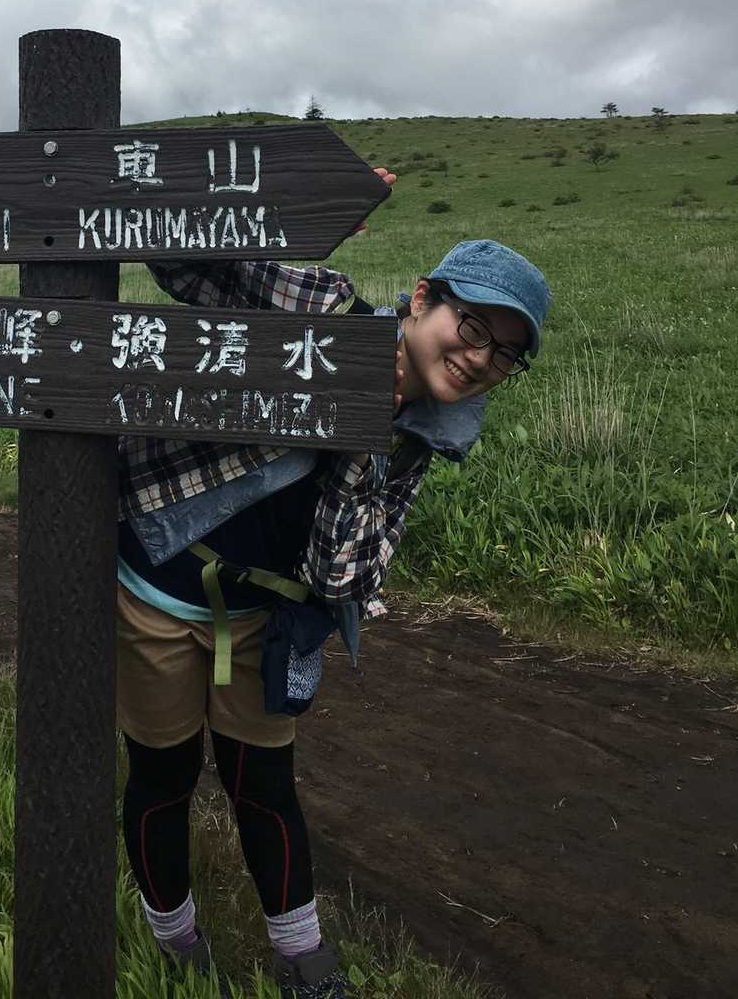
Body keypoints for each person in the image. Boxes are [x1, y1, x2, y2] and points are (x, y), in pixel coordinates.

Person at [116, 169, 552, 998]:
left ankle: (303, 960)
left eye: (505, 353)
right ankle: (174, 943)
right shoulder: (322, 308)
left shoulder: (426, 433)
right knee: (163, 775)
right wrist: (287, 211)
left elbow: (341, 573)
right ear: (420, 300)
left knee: (264, 784)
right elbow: (181, 262)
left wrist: (363, 434)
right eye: (471, 326)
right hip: (159, 581)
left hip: (265, 616)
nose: (479, 358)